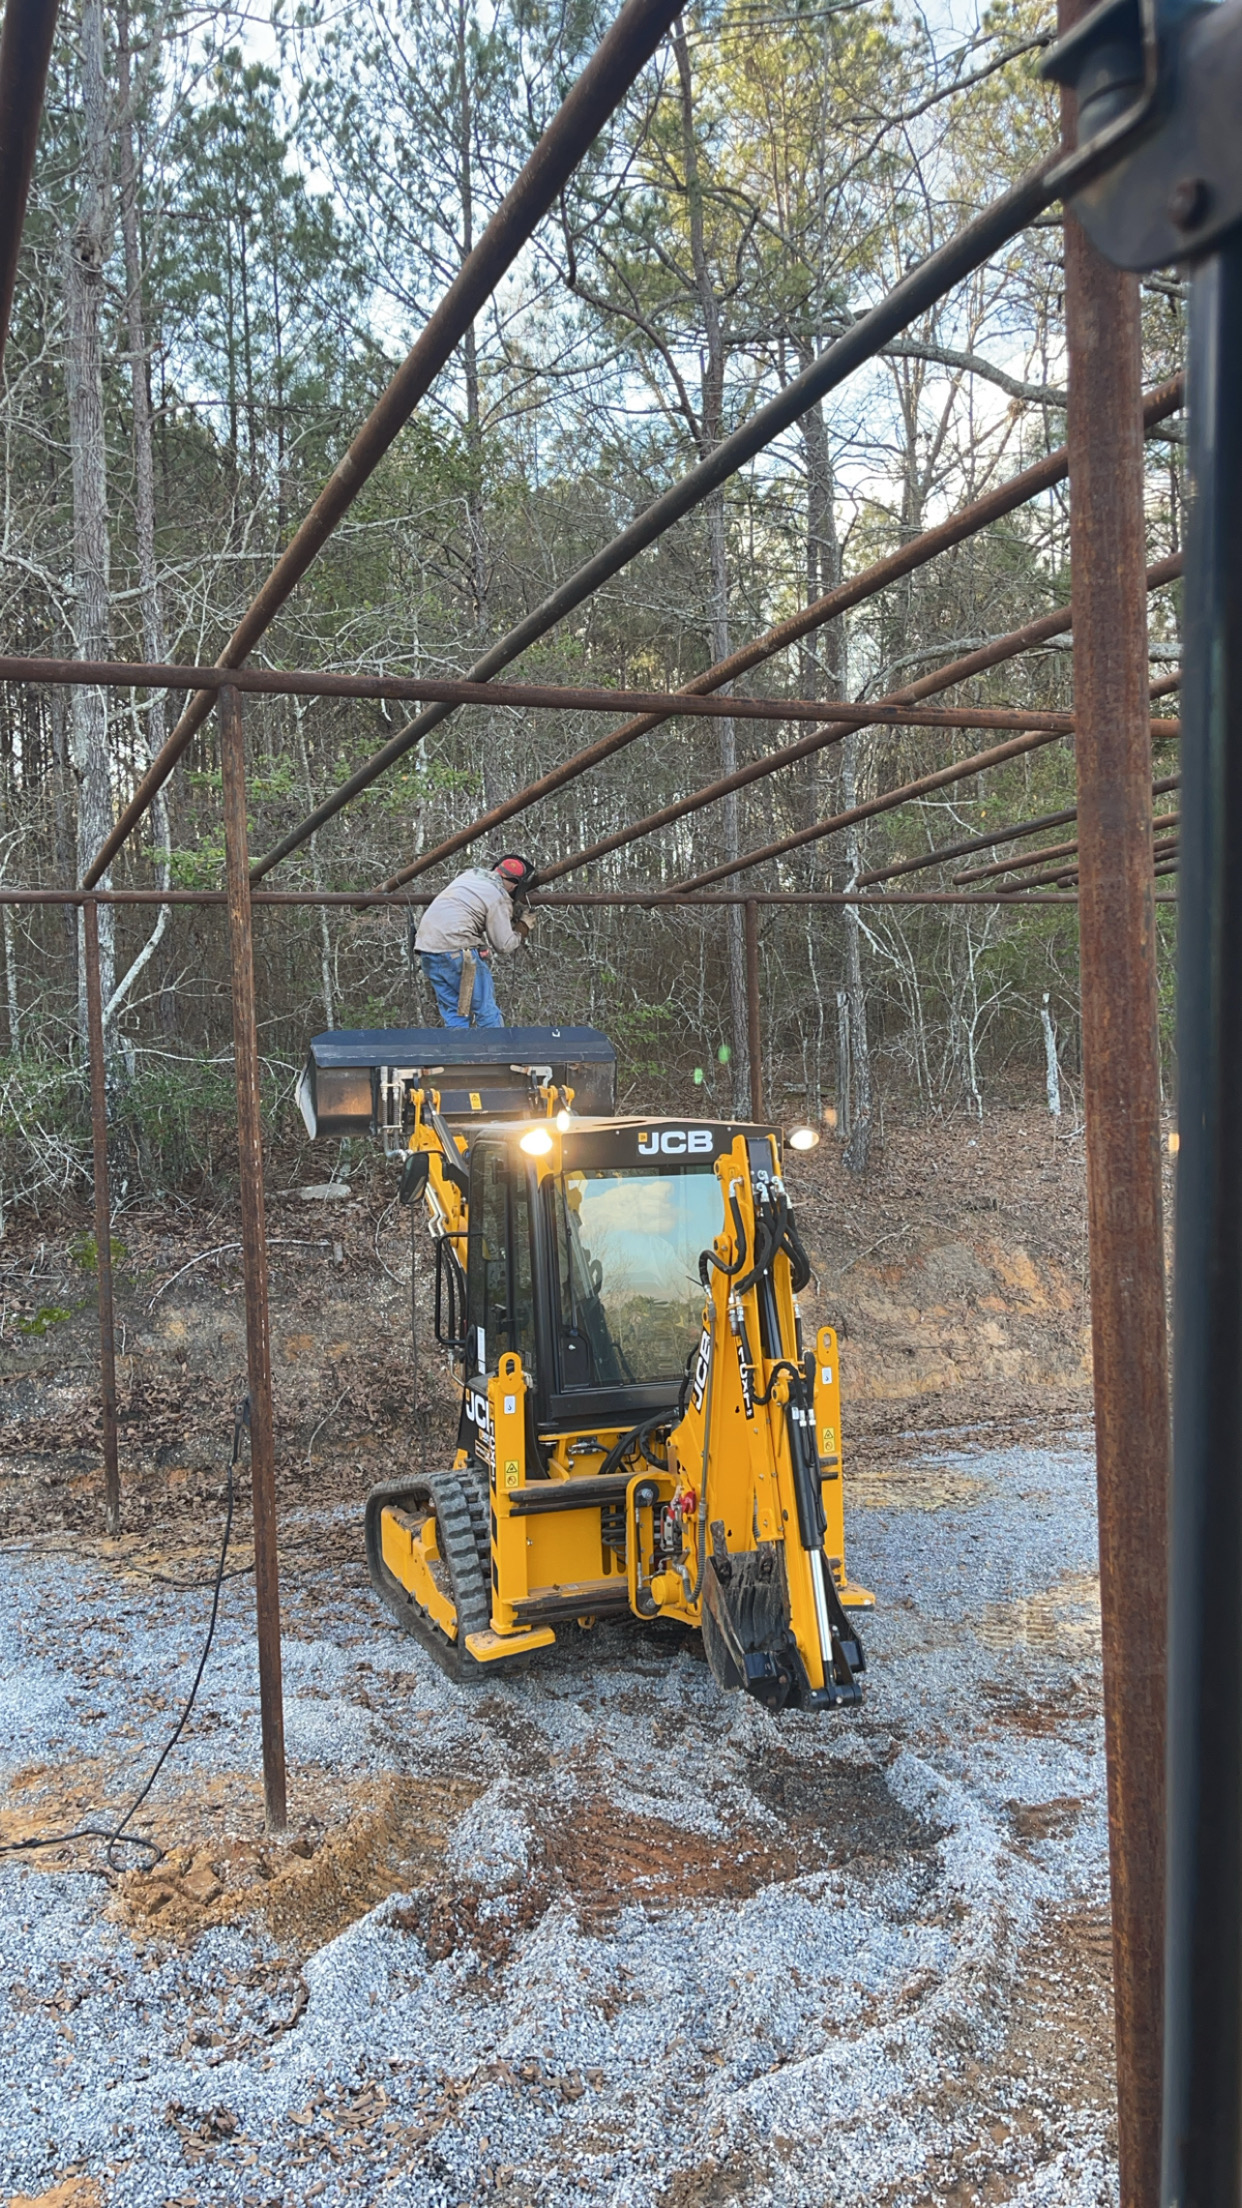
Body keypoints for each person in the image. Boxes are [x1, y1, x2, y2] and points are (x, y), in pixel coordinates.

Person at [413, 854, 537, 1028]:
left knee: (455, 1013)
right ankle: (497, 1054)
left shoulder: (471, 875)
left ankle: (458, 1055)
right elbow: (504, 944)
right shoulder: (498, 896)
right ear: (515, 885)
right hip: (457, 951)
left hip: (427, 949)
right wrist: (523, 926)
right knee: (485, 1010)